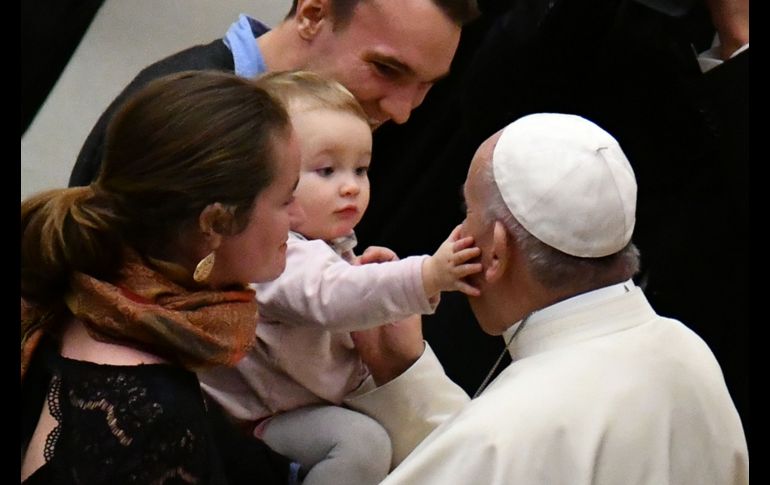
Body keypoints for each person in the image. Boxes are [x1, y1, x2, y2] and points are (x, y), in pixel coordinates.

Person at [355, 0, 750, 441]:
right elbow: (492, 95)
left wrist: (740, 40)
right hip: (471, 262)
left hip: (664, 307)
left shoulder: (683, 365)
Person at [344, 113, 749, 483]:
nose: (458, 231)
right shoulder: (688, 351)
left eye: (467, 211)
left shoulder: (505, 433)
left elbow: (512, 446)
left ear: (497, 252)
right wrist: (405, 373)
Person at [197, 70, 483, 484]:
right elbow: (329, 297)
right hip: (258, 416)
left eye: (361, 169)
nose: (350, 187)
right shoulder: (274, 252)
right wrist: (428, 274)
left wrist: (368, 284)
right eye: (327, 170)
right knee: (362, 443)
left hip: (303, 406)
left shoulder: (329, 247)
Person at [21, 70, 304, 484]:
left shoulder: (67, 286)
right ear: (214, 223)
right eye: (287, 198)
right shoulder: (152, 416)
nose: (297, 219)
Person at [68, 0, 477, 187]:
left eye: (425, 86)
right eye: (386, 69)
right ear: (313, 15)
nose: (403, 111)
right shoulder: (183, 117)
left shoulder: (321, 133)